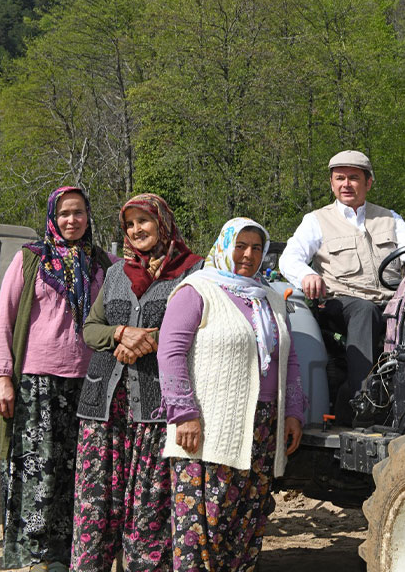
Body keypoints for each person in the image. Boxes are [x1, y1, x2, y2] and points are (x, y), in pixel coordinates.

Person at [159, 217, 306, 572]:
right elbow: (170, 352)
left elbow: (291, 357)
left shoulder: (269, 296)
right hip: (208, 426)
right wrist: (183, 412)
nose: (249, 255)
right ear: (225, 247)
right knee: (202, 524)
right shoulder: (197, 290)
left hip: (262, 425)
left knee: (246, 520)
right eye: (240, 246)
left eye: (256, 248)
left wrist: (293, 412)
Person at [72, 194, 204, 572]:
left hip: (154, 411)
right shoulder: (116, 272)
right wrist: (121, 333)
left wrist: (150, 341)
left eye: (143, 221)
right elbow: (91, 329)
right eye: (129, 224)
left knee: (149, 512)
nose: (136, 230)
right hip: (103, 410)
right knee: (95, 508)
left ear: (161, 222)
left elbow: (197, 330)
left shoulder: (192, 273)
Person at [0, 186, 112, 571]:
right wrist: (1, 377)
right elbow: (4, 320)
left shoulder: (105, 265)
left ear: (89, 216)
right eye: (64, 214)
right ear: (52, 218)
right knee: (36, 469)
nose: (71, 220)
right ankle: (32, 556)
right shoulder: (30, 259)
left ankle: (72, 554)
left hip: (90, 385)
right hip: (36, 384)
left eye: (78, 213)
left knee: (79, 473)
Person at [279, 150, 405, 424]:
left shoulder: (390, 219)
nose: (346, 184)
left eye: (354, 178)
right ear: (332, 183)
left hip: (389, 303)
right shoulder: (316, 220)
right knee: (364, 310)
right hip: (339, 303)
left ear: (368, 183)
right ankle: (364, 402)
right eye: (340, 178)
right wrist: (307, 276)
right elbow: (289, 258)